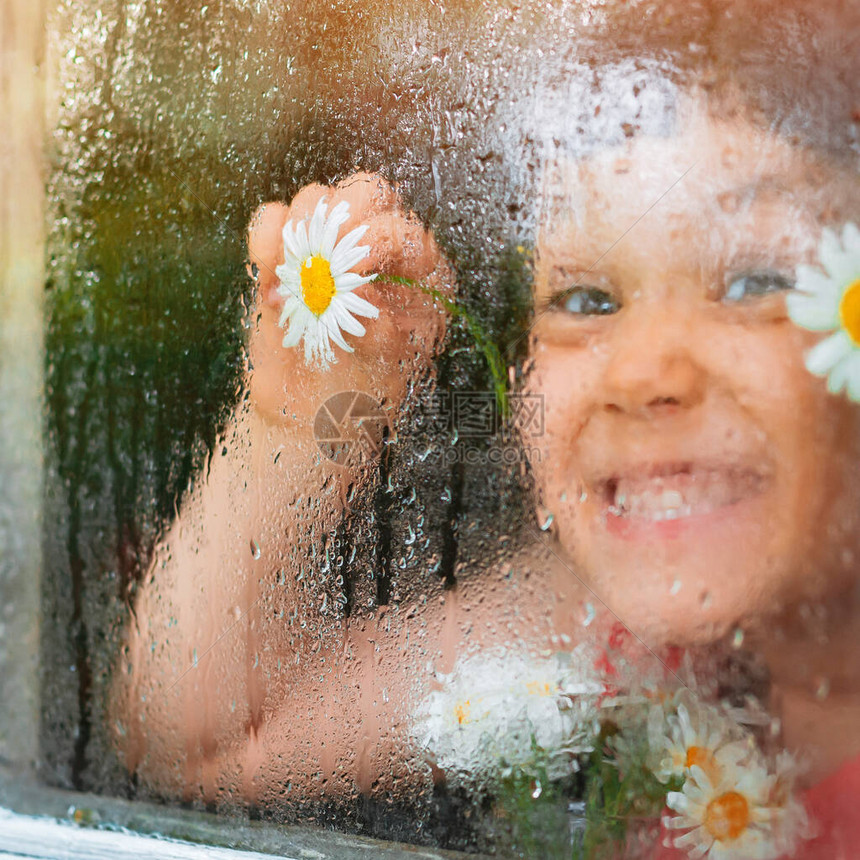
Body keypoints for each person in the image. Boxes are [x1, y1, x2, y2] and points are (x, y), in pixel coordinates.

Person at [111, 1, 860, 855]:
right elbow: (203, 741)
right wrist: (300, 425)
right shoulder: (608, 636)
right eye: (585, 300)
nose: (645, 371)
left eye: (755, 280)